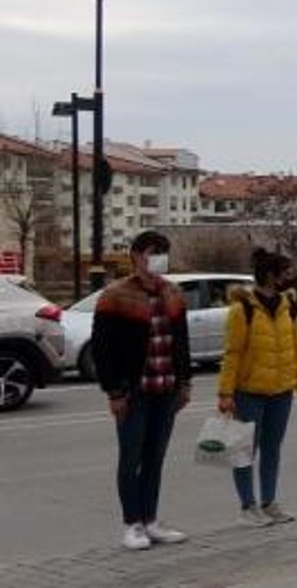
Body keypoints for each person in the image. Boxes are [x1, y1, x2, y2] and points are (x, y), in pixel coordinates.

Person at [92, 230, 192, 550]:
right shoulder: (115, 295)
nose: (157, 258)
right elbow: (102, 350)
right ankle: (132, 523)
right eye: (152, 251)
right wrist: (115, 393)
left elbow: (182, 344)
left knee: (155, 458)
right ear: (135, 255)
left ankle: (151, 519)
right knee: (130, 458)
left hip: (166, 390)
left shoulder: (173, 292)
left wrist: (185, 383)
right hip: (134, 393)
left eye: (163, 252)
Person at [217, 249, 297, 526]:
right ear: (271, 276)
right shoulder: (242, 309)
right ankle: (248, 506)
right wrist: (225, 393)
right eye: (286, 273)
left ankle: (269, 502)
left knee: (273, 449)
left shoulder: (289, 305)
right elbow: (232, 353)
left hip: (281, 391)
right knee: (244, 450)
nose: (290, 278)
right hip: (248, 392)